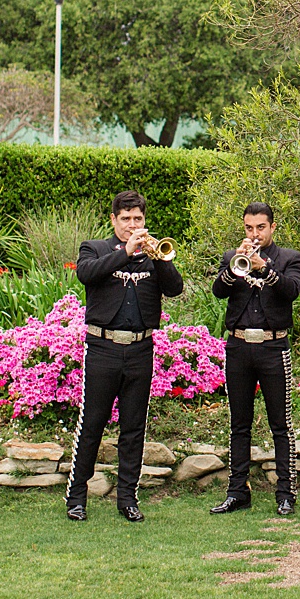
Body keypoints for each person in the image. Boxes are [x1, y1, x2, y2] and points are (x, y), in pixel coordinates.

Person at [65, 190, 184, 523]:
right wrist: (124, 252)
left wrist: (162, 261)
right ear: (114, 219)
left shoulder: (154, 254)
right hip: (102, 347)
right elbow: (86, 273)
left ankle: (128, 498)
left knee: (134, 426)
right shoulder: (95, 248)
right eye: (127, 219)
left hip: (140, 348)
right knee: (92, 423)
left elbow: (175, 289)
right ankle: (77, 498)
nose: (133, 225)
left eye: (139, 219)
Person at [209, 203, 300, 517]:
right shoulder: (231, 258)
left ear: (272, 227)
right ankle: (237, 492)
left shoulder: (289, 258)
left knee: (281, 424)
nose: (254, 234)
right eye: (249, 228)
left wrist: (263, 266)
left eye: (260, 228)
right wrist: (235, 266)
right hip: (237, 347)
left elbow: (291, 291)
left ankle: (286, 494)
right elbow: (217, 292)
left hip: (273, 348)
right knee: (239, 424)